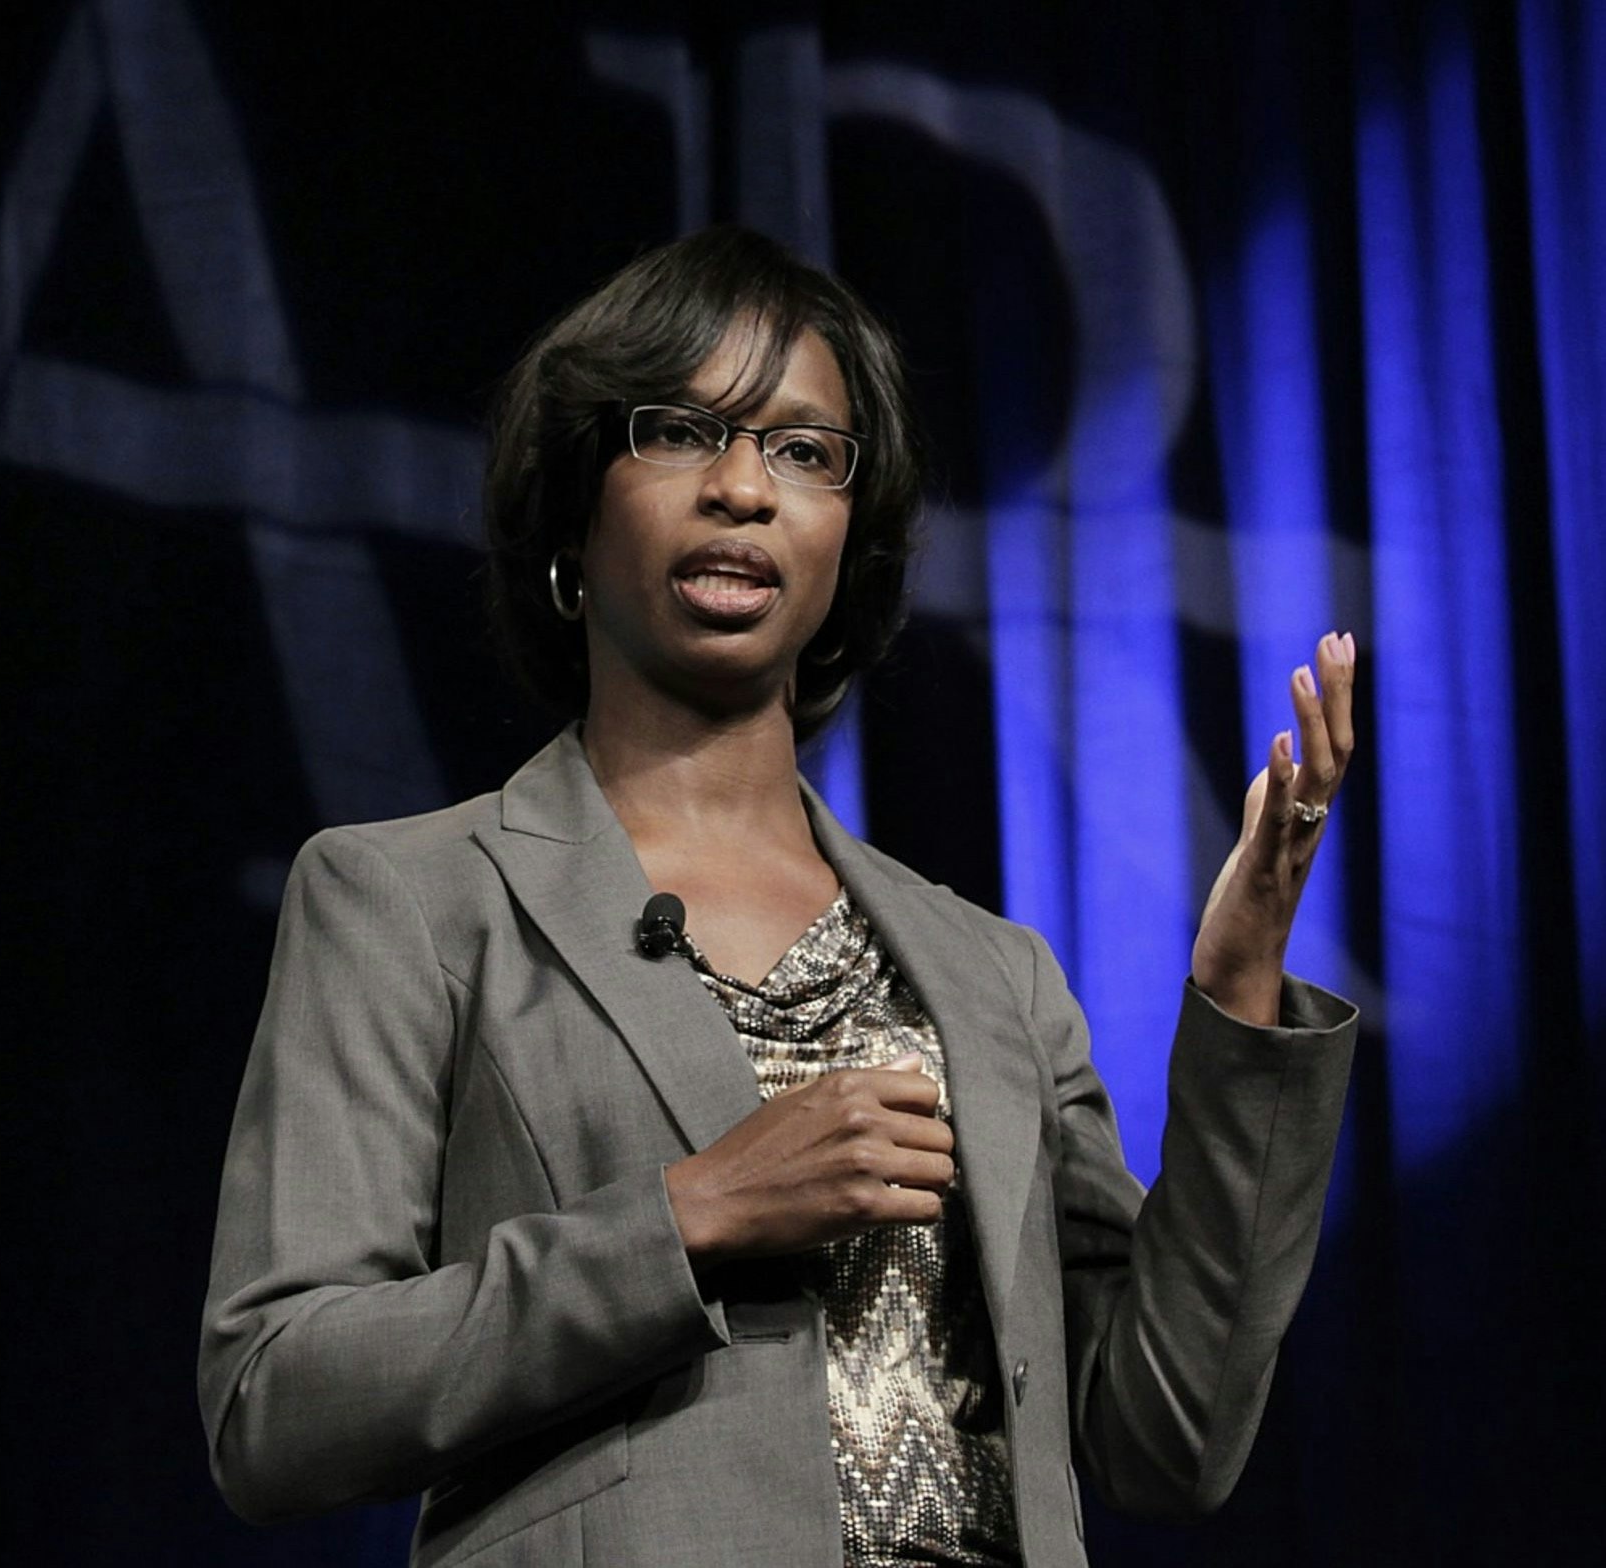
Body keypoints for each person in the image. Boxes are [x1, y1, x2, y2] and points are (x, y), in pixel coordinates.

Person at [196, 226, 1359, 1568]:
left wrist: (1234, 998)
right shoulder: (407, 901)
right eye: (680, 432)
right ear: (574, 508)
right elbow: (271, 1401)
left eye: (803, 451)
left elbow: (1166, 1434)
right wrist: (687, 1218)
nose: (743, 489)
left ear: (846, 544)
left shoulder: (991, 974)